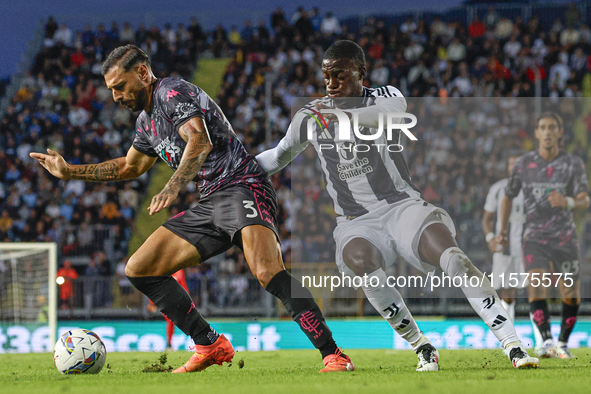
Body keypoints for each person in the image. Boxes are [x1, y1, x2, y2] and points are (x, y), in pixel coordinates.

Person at [30, 44, 352, 373]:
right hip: (211, 201)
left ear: (142, 73)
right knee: (139, 268)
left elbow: (200, 141)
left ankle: (334, 355)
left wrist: (172, 187)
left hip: (241, 185)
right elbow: (130, 166)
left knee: (268, 271)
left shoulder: (171, 92)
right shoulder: (146, 122)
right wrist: (70, 171)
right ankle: (208, 342)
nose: (116, 96)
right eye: (112, 90)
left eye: (120, 86)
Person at [256, 40, 539, 369]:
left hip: (402, 208)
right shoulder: (309, 116)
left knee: (454, 259)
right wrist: (236, 170)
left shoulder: (385, 96)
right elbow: (277, 157)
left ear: (361, 73)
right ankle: (422, 347)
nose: (331, 84)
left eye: (340, 75)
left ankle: (514, 347)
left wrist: (340, 116)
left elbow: (390, 115)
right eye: (326, 77)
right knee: (359, 260)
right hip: (356, 221)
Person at [498, 112, 590, 358]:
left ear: (560, 133)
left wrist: (566, 200)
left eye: (552, 127)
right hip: (534, 237)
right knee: (535, 285)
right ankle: (546, 341)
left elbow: (585, 199)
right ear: (536, 133)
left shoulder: (573, 163)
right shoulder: (523, 164)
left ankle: (563, 342)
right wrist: (502, 231)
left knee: (570, 294)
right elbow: (508, 195)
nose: (547, 132)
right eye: (543, 127)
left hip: (565, 237)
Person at [482, 155, 526, 322]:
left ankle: (542, 338)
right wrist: (490, 238)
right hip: (505, 246)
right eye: (511, 163)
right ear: (507, 167)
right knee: (506, 289)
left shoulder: (531, 189)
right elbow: (487, 218)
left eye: (517, 163)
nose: (514, 167)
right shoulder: (498, 188)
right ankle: (509, 334)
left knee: (534, 290)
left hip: (527, 246)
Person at [148, 269, 188, 349]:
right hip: (167, 300)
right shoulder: (161, 270)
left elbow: (179, 279)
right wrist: (152, 303)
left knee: (184, 321)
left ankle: (199, 342)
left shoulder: (178, 269)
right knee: (170, 321)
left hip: (179, 298)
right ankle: (169, 344)